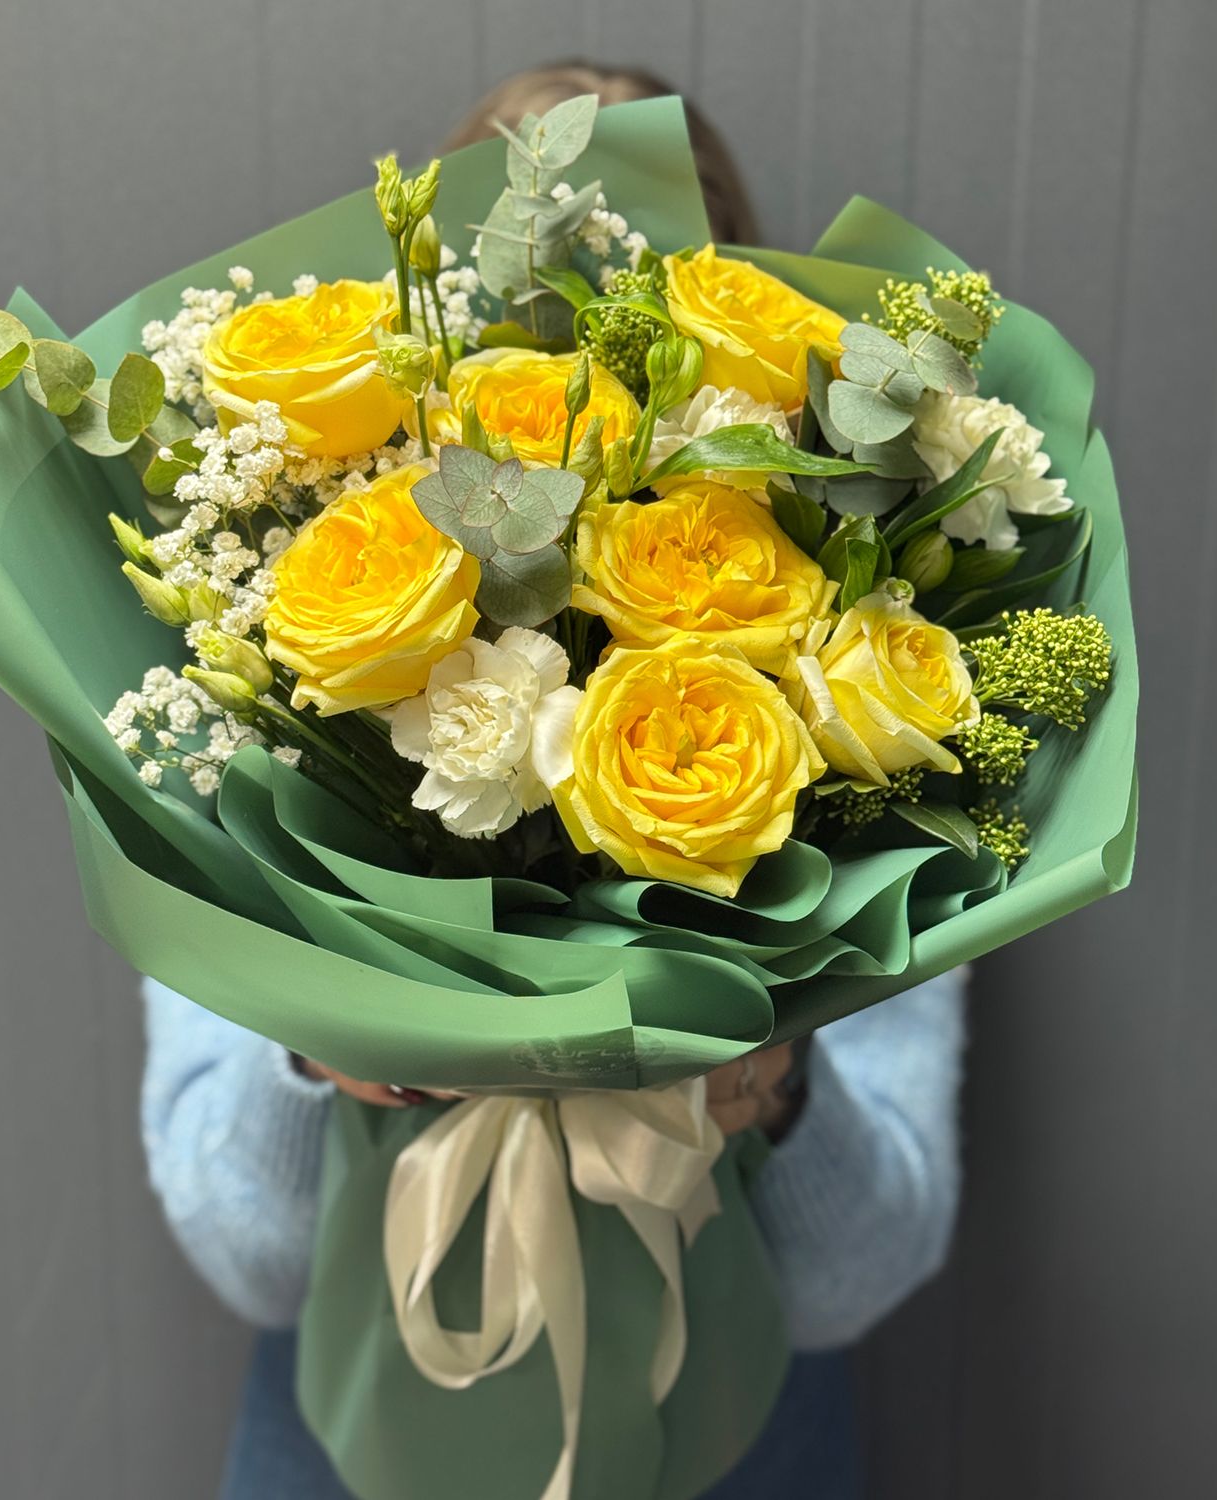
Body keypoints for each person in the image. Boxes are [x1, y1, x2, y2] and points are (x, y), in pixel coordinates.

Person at [140, 64, 967, 1500]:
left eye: (631, 310)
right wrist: (317, 1059)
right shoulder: (258, 698)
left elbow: (857, 1281)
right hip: (353, 1433)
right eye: (520, 307)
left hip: (737, 1439)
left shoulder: (870, 718)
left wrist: (773, 1089)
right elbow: (250, 1262)